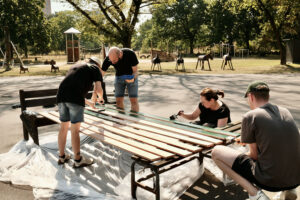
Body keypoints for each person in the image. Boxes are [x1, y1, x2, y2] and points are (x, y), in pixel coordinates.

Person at [212, 81, 300, 200]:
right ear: (267, 96)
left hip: (270, 181)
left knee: (216, 152)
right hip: (295, 178)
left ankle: (255, 194)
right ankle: (289, 190)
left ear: (251, 96)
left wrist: (237, 155)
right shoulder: (285, 111)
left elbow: (254, 155)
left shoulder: (250, 116)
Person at [56, 57, 104, 168]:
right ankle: (78, 160)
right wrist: (100, 98)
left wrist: (89, 103)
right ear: (98, 65)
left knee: (63, 127)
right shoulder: (95, 68)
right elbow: (98, 87)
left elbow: (71, 90)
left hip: (61, 96)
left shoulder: (76, 66)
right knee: (75, 130)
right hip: (74, 99)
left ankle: (62, 157)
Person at [101, 47, 139, 112]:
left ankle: (134, 120)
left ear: (120, 54)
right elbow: (101, 74)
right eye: (111, 61)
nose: (112, 63)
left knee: (133, 101)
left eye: (114, 61)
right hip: (118, 78)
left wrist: (133, 79)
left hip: (131, 76)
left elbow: (135, 71)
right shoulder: (109, 58)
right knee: (118, 101)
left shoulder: (130, 53)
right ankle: (121, 120)